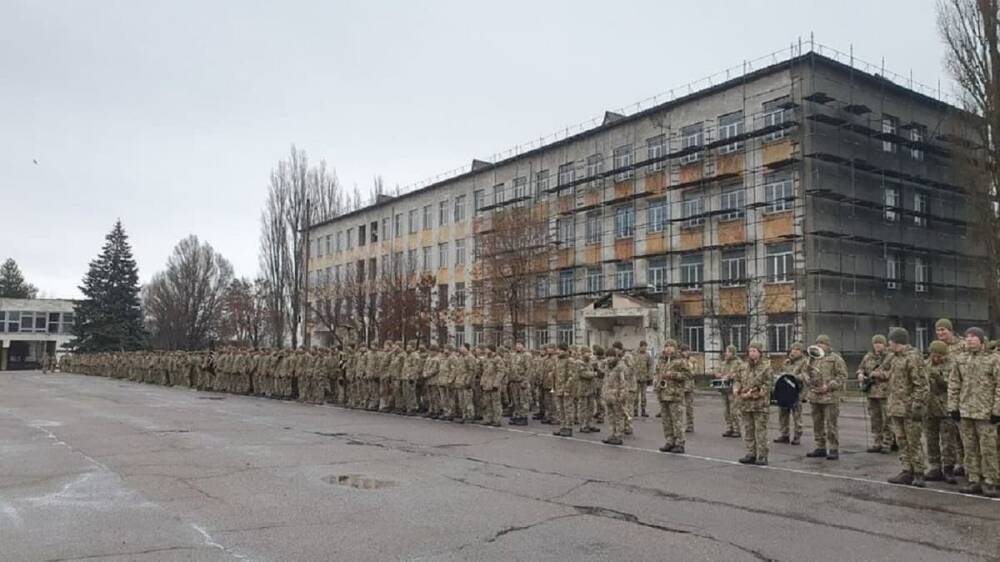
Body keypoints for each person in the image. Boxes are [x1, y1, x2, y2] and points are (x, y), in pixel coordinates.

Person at [947, 327, 999, 497]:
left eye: (973, 337)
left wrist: (997, 410)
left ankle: (991, 481)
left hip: (986, 413)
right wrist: (953, 407)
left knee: (989, 449)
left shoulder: (994, 359)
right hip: (966, 411)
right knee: (969, 448)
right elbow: (954, 384)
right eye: (967, 337)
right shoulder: (960, 359)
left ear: (981, 340)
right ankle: (974, 479)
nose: (969, 340)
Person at [884, 328, 929, 487]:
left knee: (914, 441)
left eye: (890, 341)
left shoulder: (913, 358)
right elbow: (891, 378)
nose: (888, 344)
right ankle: (906, 470)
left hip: (909, 408)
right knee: (901, 440)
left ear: (897, 342)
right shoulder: (894, 358)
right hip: (896, 407)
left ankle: (918, 472)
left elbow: (921, 385)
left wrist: (917, 406)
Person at [805, 335, 848, 460]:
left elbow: (842, 376)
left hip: (830, 397)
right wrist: (808, 379)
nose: (819, 345)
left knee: (831, 424)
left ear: (828, 345)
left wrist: (829, 386)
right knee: (817, 423)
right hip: (815, 396)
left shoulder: (836, 359)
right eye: (817, 343)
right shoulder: (813, 358)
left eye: (822, 343)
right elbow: (806, 372)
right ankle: (820, 447)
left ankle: (833, 448)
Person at [924, 340, 960, 484]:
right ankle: (934, 467)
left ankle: (949, 468)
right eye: (934, 354)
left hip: (945, 408)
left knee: (948, 441)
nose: (936, 358)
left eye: (939, 355)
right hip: (929, 408)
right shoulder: (925, 365)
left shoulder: (952, 365)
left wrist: (938, 377)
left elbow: (951, 384)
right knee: (931, 439)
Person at [734, 342, 772, 465]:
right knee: (748, 429)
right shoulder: (743, 366)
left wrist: (753, 394)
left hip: (759, 405)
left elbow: (768, 385)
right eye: (750, 351)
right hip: (746, 404)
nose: (752, 353)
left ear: (760, 353)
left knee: (760, 431)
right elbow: (737, 380)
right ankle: (751, 453)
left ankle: (762, 455)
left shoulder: (766, 367)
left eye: (755, 351)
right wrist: (736, 389)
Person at [857, 335, 893, 453]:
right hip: (872, 393)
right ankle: (877, 442)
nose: (877, 345)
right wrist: (860, 374)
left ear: (885, 344)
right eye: (875, 343)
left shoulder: (890, 357)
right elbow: (861, 368)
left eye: (880, 343)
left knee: (887, 419)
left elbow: (892, 373)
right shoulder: (868, 357)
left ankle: (888, 443)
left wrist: (879, 375)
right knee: (875, 419)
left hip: (885, 393)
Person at [653, 339, 690, 454]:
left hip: (675, 394)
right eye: (666, 346)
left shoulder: (680, 361)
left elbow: (688, 375)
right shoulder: (661, 361)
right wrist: (656, 384)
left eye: (671, 346)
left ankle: (679, 443)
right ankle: (669, 440)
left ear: (675, 348)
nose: (668, 348)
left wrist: (673, 375)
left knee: (677, 420)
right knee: (666, 420)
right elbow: (657, 373)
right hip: (663, 393)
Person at [775, 342, 806, 445]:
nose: (794, 351)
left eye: (797, 350)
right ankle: (784, 434)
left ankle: (797, 436)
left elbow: (805, 376)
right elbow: (781, 374)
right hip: (785, 392)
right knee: (783, 414)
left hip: (796, 392)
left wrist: (793, 376)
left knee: (797, 415)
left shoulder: (804, 362)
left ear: (801, 352)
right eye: (793, 349)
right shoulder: (787, 362)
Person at [601, 347, 628, 445]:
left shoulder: (620, 367)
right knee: (610, 416)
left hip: (617, 396)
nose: (609, 358)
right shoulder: (607, 367)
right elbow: (605, 380)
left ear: (615, 356)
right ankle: (612, 434)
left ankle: (618, 435)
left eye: (611, 356)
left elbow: (623, 382)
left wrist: (622, 395)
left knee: (618, 416)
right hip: (608, 396)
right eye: (607, 356)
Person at [717, 345, 743, 438]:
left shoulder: (738, 363)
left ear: (733, 353)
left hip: (734, 389)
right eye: (726, 351)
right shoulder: (723, 363)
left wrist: (732, 375)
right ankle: (729, 428)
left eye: (728, 351)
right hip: (724, 389)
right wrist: (719, 375)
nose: (726, 353)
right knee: (726, 410)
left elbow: (742, 374)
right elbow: (718, 372)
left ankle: (737, 429)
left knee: (734, 410)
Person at [633, 341, 652, 417]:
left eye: (646, 347)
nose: (645, 348)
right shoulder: (634, 354)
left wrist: (650, 377)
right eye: (643, 346)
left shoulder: (647, 355)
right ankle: (635, 410)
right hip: (636, 378)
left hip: (644, 378)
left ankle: (643, 410)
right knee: (635, 396)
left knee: (644, 396)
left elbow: (650, 366)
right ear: (640, 346)